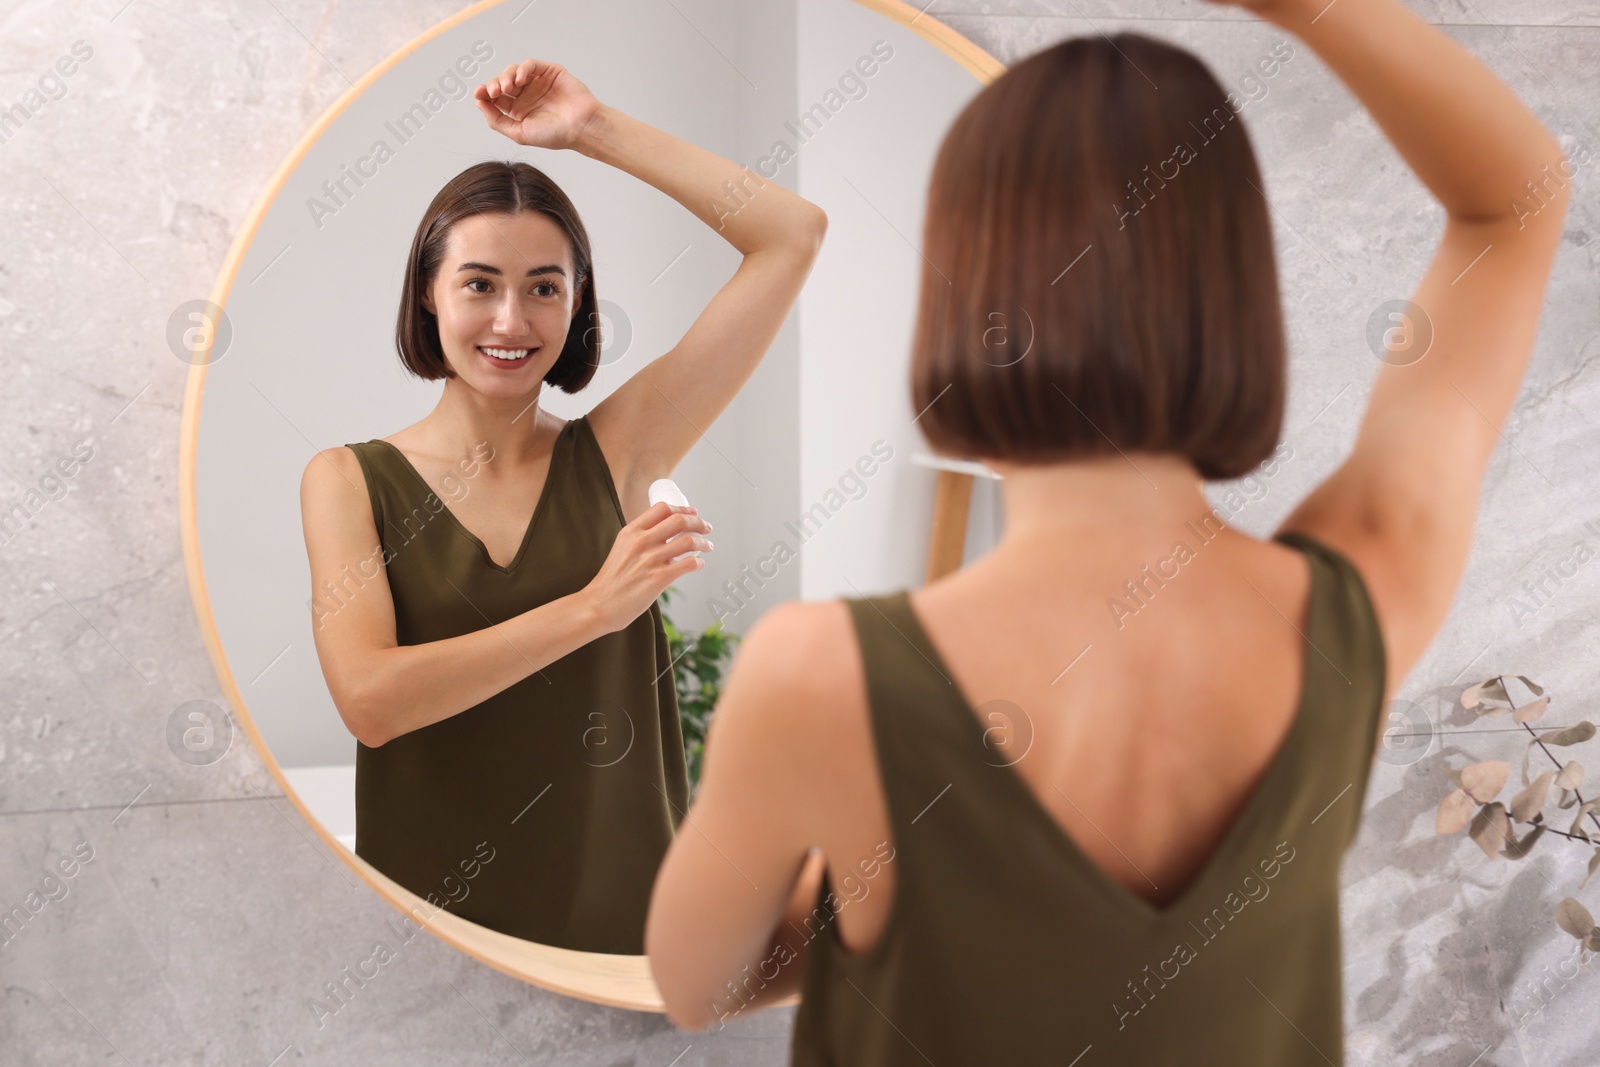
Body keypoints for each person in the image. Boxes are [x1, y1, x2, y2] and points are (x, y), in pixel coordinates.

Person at [645, 0, 1569, 1059]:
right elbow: (1515, 204)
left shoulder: (818, 674)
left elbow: (693, 978)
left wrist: (875, 865)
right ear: (1233, 295)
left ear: (966, 297)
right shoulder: (1355, 602)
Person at [299, 59, 826, 954]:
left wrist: (591, 129)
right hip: (433, 937)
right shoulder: (347, 479)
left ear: (577, 305)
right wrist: (593, 609)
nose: (513, 320)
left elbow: (792, 233)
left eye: (545, 286)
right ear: (428, 297)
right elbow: (372, 700)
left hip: (626, 934)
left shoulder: (620, 448)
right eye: (479, 284)